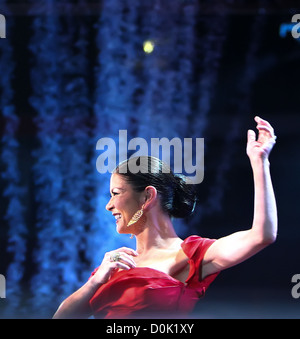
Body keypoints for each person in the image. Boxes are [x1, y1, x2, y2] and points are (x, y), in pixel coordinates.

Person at [53, 116, 277, 319]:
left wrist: (260, 162)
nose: (108, 205)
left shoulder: (191, 255)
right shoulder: (114, 264)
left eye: (116, 194)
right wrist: (95, 281)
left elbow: (261, 235)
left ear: (147, 196)